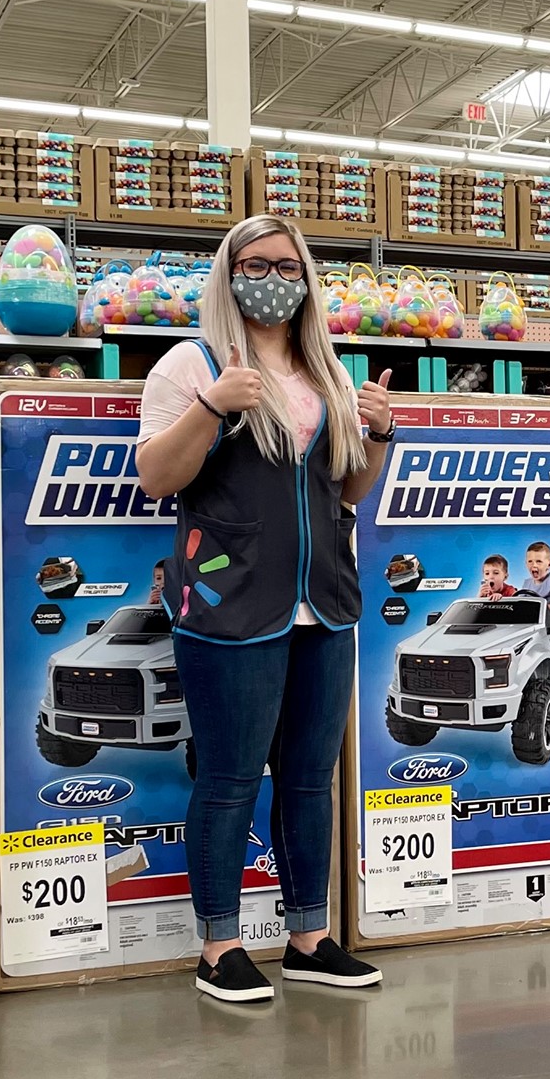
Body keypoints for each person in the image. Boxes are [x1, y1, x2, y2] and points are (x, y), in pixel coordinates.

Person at [136, 213, 395, 1001]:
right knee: (229, 779)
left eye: (288, 266)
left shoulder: (328, 371)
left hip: (327, 605)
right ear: (229, 272)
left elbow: (347, 491)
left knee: (311, 778)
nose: (272, 280)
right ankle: (218, 948)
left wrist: (379, 436)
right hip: (228, 605)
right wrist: (212, 407)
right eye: (255, 265)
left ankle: (309, 938)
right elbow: (156, 477)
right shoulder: (192, 364)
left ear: (307, 280)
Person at [517, 541, 550, 612]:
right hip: (535, 615)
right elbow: (520, 602)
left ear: (549, 565)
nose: (534, 565)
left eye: (539, 561)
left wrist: (545, 608)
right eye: (530, 561)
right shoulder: (527, 583)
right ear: (526, 563)